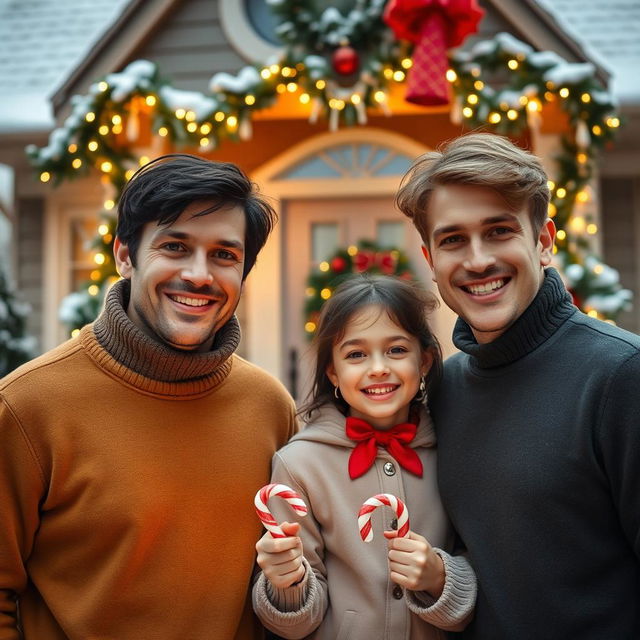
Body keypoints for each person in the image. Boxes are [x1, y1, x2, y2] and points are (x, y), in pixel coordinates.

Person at [0, 154, 298, 639]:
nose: (200, 275)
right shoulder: (26, 407)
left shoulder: (269, 407)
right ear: (125, 254)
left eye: (225, 255)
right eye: (175, 246)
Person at [396, 132, 640, 638]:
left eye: (499, 231)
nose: (478, 260)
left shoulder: (620, 375)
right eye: (453, 239)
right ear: (430, 259)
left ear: (544, 241)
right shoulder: (443, 389)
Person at [252, 274, 476, 639]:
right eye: (356, 354)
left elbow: (484, 566)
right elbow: (293, 625)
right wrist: (287, 581)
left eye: (397, 350)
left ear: (425, 362)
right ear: (332, 372)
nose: (377, 368)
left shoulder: (456, 448)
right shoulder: (300, 465)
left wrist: (439, 576)